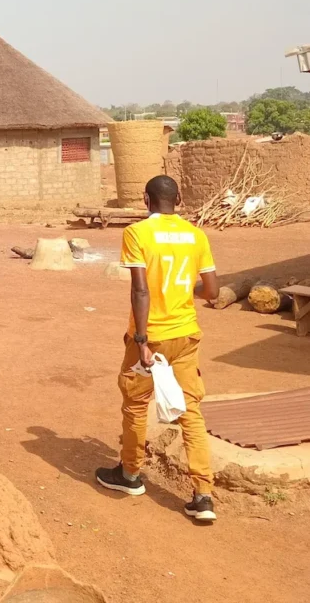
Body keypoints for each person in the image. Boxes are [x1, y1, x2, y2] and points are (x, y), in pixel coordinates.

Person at [96, 175, 220, 522]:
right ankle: (203, 495)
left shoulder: (137, 234)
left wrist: (142, 340)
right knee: (190, 410)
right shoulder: (196, 235)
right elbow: (211, 291)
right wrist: (183, 294)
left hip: (151, 337)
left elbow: (140, 290)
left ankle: (130, 475)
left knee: (136, 404)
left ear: (146, 200)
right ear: (178, 199)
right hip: (186, 335)